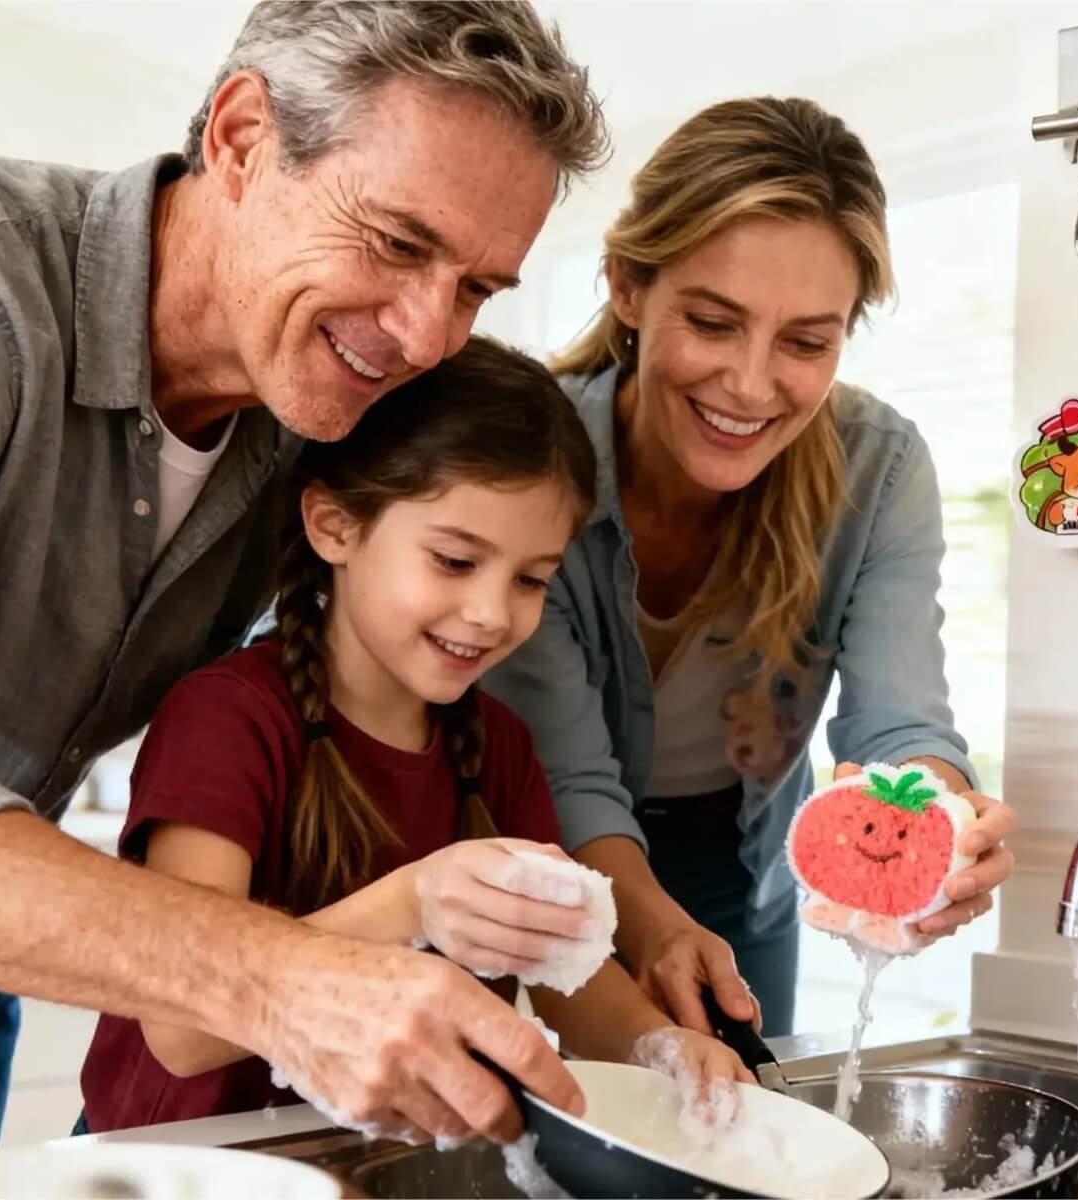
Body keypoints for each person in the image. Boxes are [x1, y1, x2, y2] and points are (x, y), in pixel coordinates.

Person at [0, 1, 606, 1158]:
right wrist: (286, 979)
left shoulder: (324, 416)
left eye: (475, 288)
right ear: (243, 137)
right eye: (401, 242)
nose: (425, 335)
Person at [78, 338, 745, 1133]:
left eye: (532, 579)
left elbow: (573, 976)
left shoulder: (500, 748)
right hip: (179, 1170)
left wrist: (662, 1048)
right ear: (334, 527)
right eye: (456, 560)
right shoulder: (228, 719)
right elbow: (182, 1029)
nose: (493, 614)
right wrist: (416, 904)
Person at [483, 97, 1017, 1039]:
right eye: (713, 321)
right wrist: (651, 934)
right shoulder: (532, 457)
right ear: (627, 286)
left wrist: (938, 821)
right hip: (546, 853)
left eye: (807, 342)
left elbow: (899, 722)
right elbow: (569, 772)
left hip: (742, 866)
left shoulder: (879, 468)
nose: (751, 383)